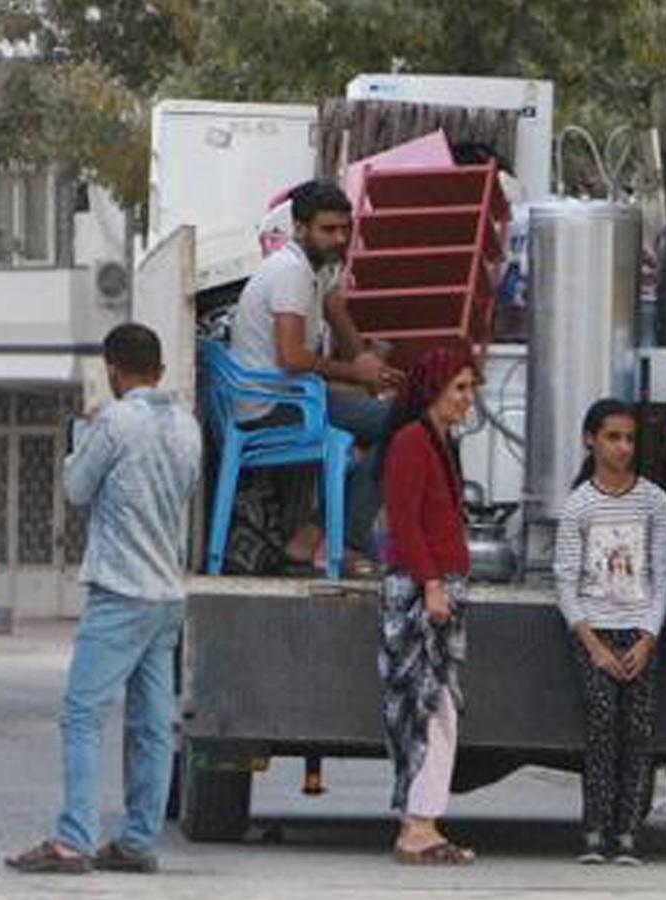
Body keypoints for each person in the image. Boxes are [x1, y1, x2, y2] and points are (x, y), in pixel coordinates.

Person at [6, 323, 203, 875]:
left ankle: (73, 839)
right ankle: (138, 841)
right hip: (167, 593)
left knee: (82, 715)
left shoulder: (115, 422)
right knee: (152, 723)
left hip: (121, 591)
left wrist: (82, 433)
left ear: (113, 370)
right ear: (159, 371)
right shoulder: (188, 426)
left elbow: (76, 489)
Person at [229, 179, 402, 573]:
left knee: (401, 421)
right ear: (301, 229)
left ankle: (314, 535)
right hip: (273, 404)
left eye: (344, 229)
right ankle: (331, 539)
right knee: (402, 425)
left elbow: (337, 312)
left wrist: (367, 366)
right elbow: (292, 357)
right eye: (328, 229)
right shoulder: (290, 271)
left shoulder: (318, 267)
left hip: (297, 396)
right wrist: (354, 370)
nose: (339, 238)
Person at [554, 399, 666, 866]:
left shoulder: (654, 500)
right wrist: (593, 645)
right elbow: (565, 578)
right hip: (594, 631)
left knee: (638, 730)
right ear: (591, 440)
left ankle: (629, 831)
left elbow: (662, 575)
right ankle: (596, 829)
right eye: (613, 437)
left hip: (639, 629)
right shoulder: (579, 503)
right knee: (601, 725)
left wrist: (648, 637)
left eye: (629, 439)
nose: (623, 447)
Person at [376, 345, 480, 865]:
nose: (468, 399)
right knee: (428, 705)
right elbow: (406, 520)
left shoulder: (437, 442)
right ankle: (419, 823)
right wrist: (433, 584)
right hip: (423, 588)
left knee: (432, 704)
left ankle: (419, 818)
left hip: (436, 584)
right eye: (459, 387)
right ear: (434, 388)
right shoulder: (413, 442)